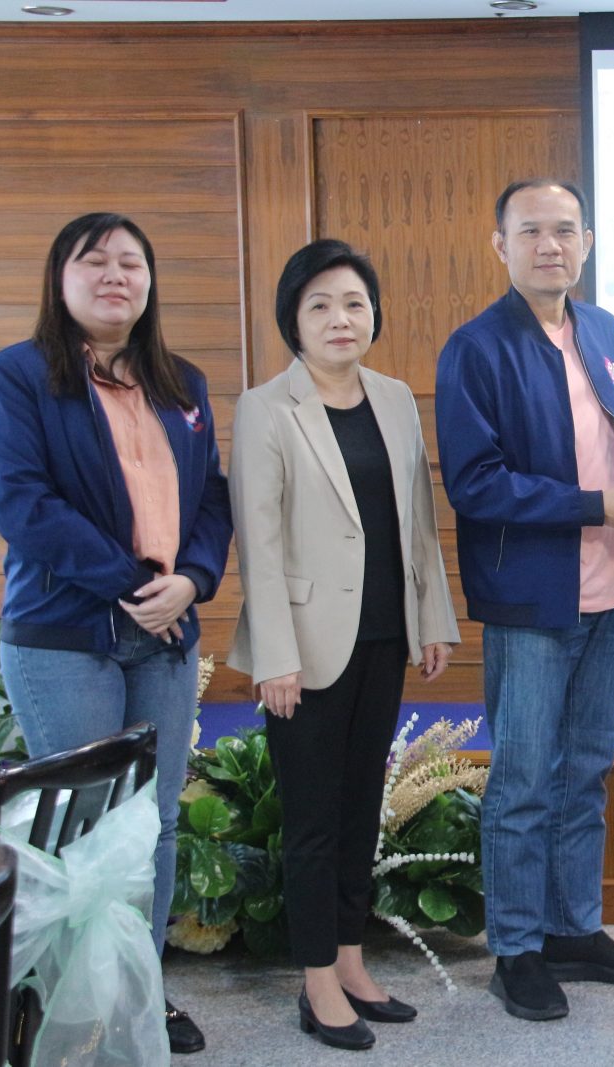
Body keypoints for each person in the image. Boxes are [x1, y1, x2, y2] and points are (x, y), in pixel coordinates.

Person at [0, 211, 233, 1055]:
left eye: (132, 262)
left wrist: (192, 579)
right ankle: (66, 1008)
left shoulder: (182, 384)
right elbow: (22, 502)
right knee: (84, 828)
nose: (116, 274)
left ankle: (139, 993)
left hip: (166, 630)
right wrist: (132, 584)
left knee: (154, 824)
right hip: (66, 633)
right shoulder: (18, 375)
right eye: (95, 261)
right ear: (61, 278)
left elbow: (212, 498)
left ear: (151, 282)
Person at [436, 178, 614, 1023]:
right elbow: (475, 484)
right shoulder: (475, 348)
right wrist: (596, 504)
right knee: (525, 780)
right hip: (531, 598)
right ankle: (517, 948)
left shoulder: (601, 329)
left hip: (610, 589)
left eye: (565, 230)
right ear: (500, 245)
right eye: (531, 231)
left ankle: (574, 928)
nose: (550, 245)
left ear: (588, 242)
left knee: (586, 770)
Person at [228, 239, 459, 1050]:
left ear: (374, 314)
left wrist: (432, 617)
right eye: (320, 304)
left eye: (354, 303)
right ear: (292, 317)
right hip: (305, 647)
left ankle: (354, 961)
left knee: (362, 808)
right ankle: (317, 979)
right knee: (313, 818)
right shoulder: (267, 406)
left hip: (385, 634)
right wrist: (274, 654)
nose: (340, 318)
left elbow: (418, 521)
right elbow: (258, 540)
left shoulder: (394, 397)